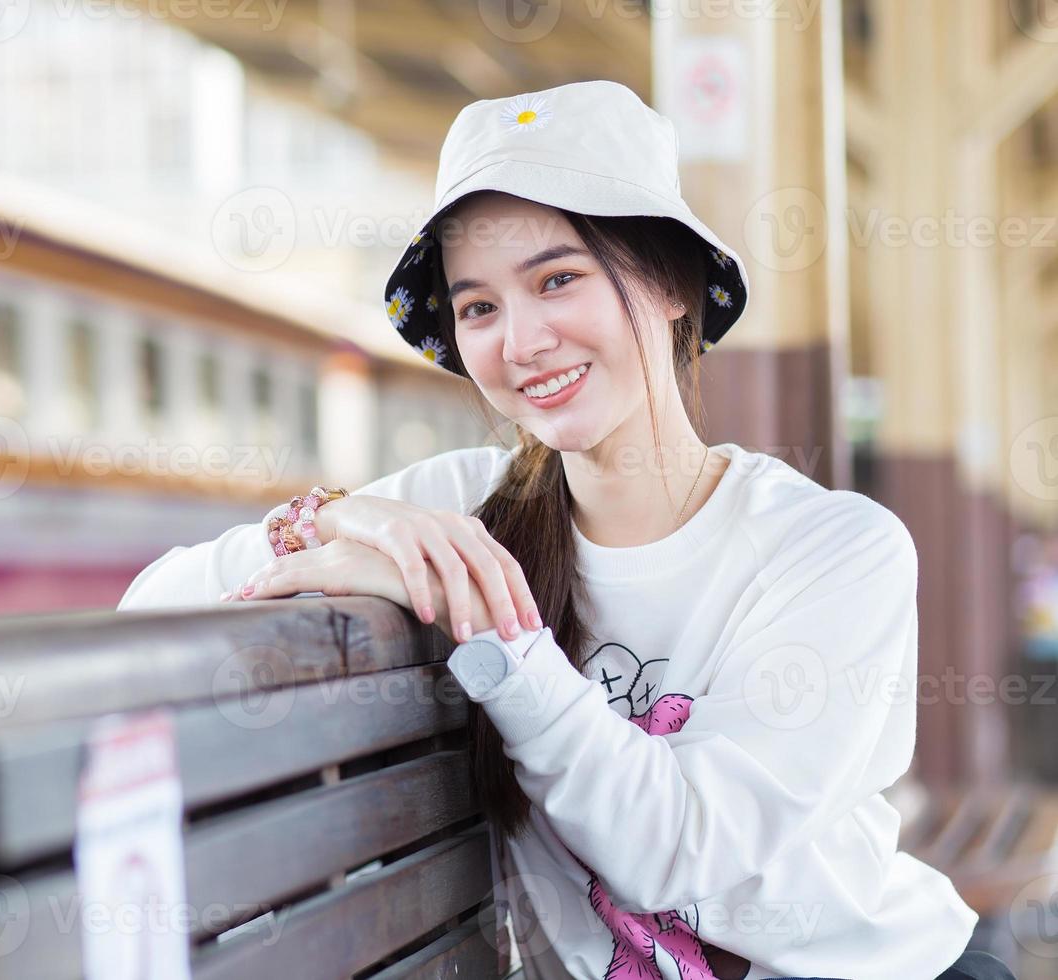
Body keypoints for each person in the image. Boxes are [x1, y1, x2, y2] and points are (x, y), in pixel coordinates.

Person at [118, 81, 1012, 980]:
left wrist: (497, 630)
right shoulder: (465, 506)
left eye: (557, 280)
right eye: (479, 308)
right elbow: (149, 609)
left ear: (668, 283)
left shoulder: (833, 550)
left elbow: (675, 850)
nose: (522, 340)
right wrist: (344, 515)